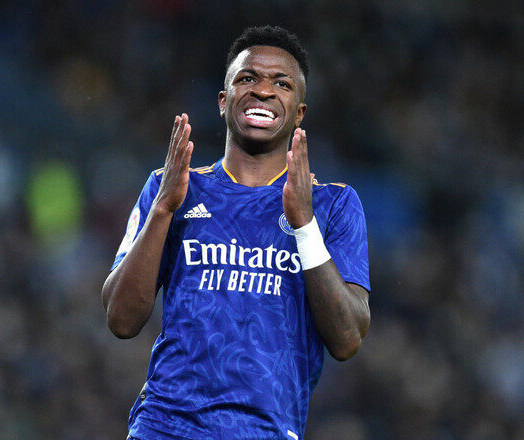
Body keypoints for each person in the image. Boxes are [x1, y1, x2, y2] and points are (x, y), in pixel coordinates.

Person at [102, 25, 371, 440]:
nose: (263, 90)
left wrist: (304, 226)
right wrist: (163, 210)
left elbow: (347, 339)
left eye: (281, 83)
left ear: (299, 112)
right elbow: (121, 320)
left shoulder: (332, 204)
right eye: (248, 78)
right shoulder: (171, 187)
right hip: (165, 426)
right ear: (224, 101)